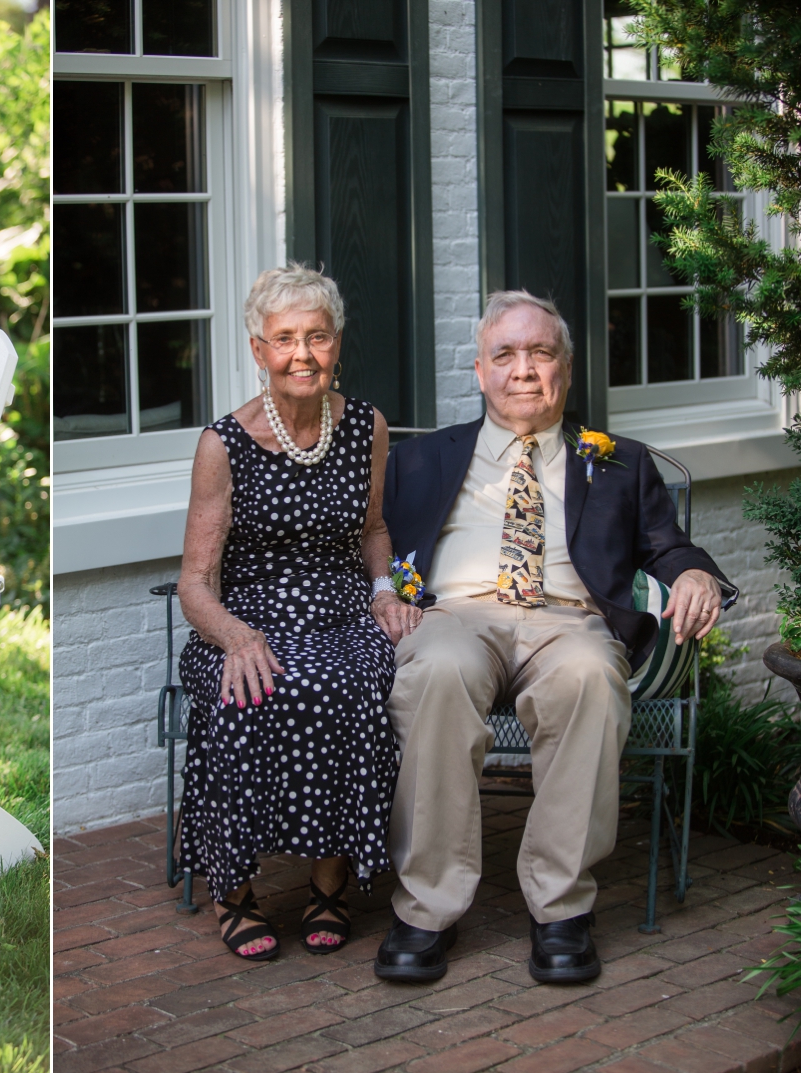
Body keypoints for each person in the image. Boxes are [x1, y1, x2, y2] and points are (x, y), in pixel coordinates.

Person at [376, 290, 735, 985]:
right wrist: (383, 592)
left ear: (564, 369)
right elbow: (371, 540)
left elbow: (670, 547)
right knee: (435, 673)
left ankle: (560, 904)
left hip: (569, 620)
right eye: (505, 354)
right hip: (455, 616)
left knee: (591, 679)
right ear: (479, 371)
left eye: (541, 352)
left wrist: (694, 576)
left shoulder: (620, 461)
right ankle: (427, 904)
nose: (523, 369)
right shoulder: (421, 459)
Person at [175, 264, 419, 960]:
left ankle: (329, 881)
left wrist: (384, 590)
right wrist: (233, 635)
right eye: (285, 339)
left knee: (361, 681)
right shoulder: (224, 443)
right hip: (245, 615)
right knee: (243, 691)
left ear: (336, 342)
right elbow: (194, 581)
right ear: (259, 350)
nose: (302, 354)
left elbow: (373, 530)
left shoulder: (365, 425)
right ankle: (233, 889)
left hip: (343, 612)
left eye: (316, 336)